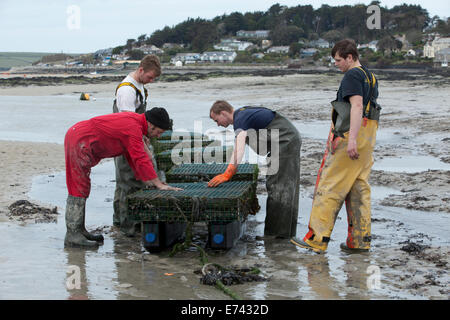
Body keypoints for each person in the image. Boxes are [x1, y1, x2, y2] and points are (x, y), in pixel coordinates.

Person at [290, 39, 381, 253]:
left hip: (350, 136)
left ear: (350, 57)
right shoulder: (371, 76)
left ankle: (316, 238)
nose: (336, 64)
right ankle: (359, 241)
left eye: (339, 60)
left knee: (329, 185)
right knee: (359, 188)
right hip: (368, 138)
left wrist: (350, 140)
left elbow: (356, 106)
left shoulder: (352, 75)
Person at [64, 107, 182, 248]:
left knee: (84, 186)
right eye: (158, 132)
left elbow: (132, 157)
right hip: (80, 140)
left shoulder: (136, 125)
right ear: (151, 125)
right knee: (78, 185)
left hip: (80, 136)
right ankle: (73, 234)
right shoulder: (133, 127)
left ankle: (80, 230)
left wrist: (148, 180)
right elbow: (140, 158)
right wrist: (158, 184)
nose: (158, 136)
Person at [208, 100, 301, 239]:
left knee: (279, 188)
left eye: (216, 120)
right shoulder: (243, 114)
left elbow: (239, 145)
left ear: (223, 113)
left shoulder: (240, 119)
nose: (218, 124)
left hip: (285, 142)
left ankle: (276, 236)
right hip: (284, 142)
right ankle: (284, 233)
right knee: (283, 186)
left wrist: (228, 173)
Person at [112, 54, 161, 234]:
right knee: (127, 181)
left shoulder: (139, 85)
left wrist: (144, 135)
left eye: (154, 78)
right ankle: (126, 226)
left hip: (132, 136)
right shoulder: (126, 91)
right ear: (141, 70)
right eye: (150, 77)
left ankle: (121, 222)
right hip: (123, 140)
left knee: (130, 180)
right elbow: (127, 124)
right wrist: (142, 143)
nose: (151, 80)